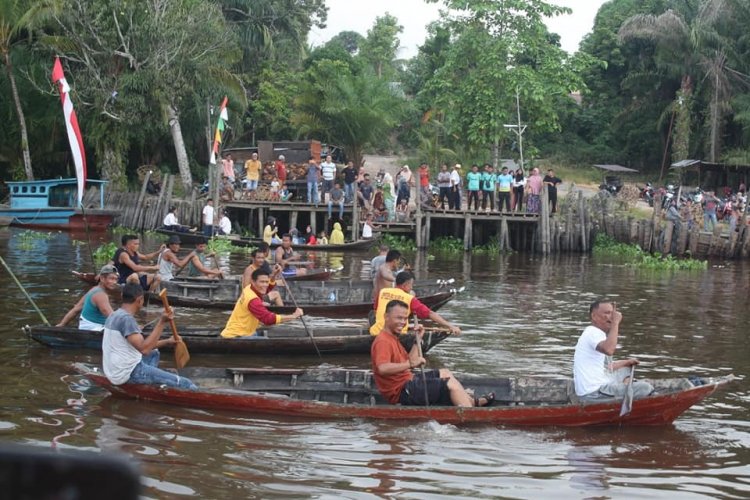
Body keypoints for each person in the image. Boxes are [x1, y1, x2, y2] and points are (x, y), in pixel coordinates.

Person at [371, 299, 492, 407]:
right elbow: (383, 368)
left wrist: (417, 339)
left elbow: (410, 361)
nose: (403, 322)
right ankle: (470, 414)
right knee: (450, 384)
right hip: (402, 391)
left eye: (405, 318)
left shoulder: (392, 337)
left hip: (408, 381)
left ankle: (470, 402)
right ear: (386, 316)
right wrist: (410, 364)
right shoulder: (383, 341)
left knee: (445, 373)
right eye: (398, 318)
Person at [102, 283, 196, 389]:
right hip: (128, 373)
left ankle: (151, 379)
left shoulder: (114, 315)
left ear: (122, 295)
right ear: (140, 299)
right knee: (187, 384)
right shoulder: (126, 319)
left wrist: (168, 341)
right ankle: (148, 379)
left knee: (154, 353)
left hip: (114, 369)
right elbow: (145, 349)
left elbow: (145, 347)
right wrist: (161, 322)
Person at [573, 299, 653, 399]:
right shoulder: (592, 332)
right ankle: (625, 394)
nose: (612, 317)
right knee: (645, 387)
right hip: (594, 392)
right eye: (607, 313)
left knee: (626, 369)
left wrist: (626, 362)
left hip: (597, 386)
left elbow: (607, 368)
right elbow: (609, 350)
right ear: (594, 316)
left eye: (612, 313)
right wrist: (615, 324)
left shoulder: (597, 334)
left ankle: (624, 392)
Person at [370, 271, 461, 336]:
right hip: (394, 334)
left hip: (375, 332)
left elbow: (376, 311)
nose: (411, 287)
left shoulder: (383, 291)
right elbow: (430, 313)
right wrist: (450, 326)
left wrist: (410, 326)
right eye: (411, 285)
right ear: (405, 285)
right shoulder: (409, 298)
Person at [221, 268, 304, 338]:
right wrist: (293, 316)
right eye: (262, 282)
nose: (265, 285)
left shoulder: (249, 288)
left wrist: (274, 275)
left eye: (266, 282)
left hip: (239, 332)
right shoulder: (253, 300)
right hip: (237, 336)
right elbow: (268, 319)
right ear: (253, 282)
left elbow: (266, 288)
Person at [57, 264, 119, 331]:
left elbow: (76, 309)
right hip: (95, 328)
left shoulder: (93, 290)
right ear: (102, 278)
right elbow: (112, 317)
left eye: (116, 279)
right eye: (111, 279)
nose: (115, 282)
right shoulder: (100, 295)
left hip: (85, 326)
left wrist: (62, 324)